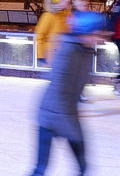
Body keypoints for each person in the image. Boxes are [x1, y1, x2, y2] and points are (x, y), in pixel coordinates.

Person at [29, 10, 106, 176]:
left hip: (68, 115)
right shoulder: (68, 52)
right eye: (98, 33)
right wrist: (71, 127)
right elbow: (58, 89)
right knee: (41, 169)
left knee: (83, 167)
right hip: (51, 117)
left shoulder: (85, 52)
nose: (102, 38)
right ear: (86, 32)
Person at [34, 0, 72, 69]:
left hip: (66, 54)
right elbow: (40, 36)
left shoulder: (68, 14)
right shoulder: (48, 16)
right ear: (58, 1)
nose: (69, 0)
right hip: (53, 56)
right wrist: (41, 56)